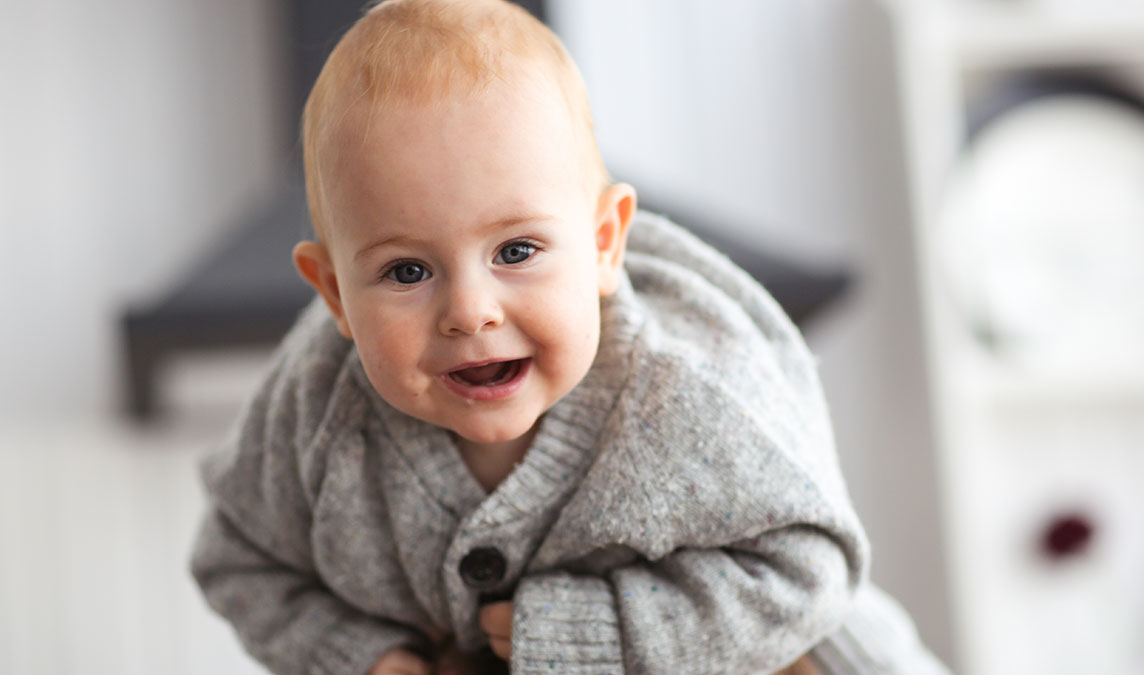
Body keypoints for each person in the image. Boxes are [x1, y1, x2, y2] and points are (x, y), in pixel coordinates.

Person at [190, 1, 950, 673]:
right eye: (407, 270)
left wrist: (596, 635)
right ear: (334, 296)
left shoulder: (682, 395)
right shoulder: (314, 410)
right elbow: (238, 563)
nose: (471, 310)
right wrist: (364, 658)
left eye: (516, 252)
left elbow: (810, 572)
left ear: (603, 245)